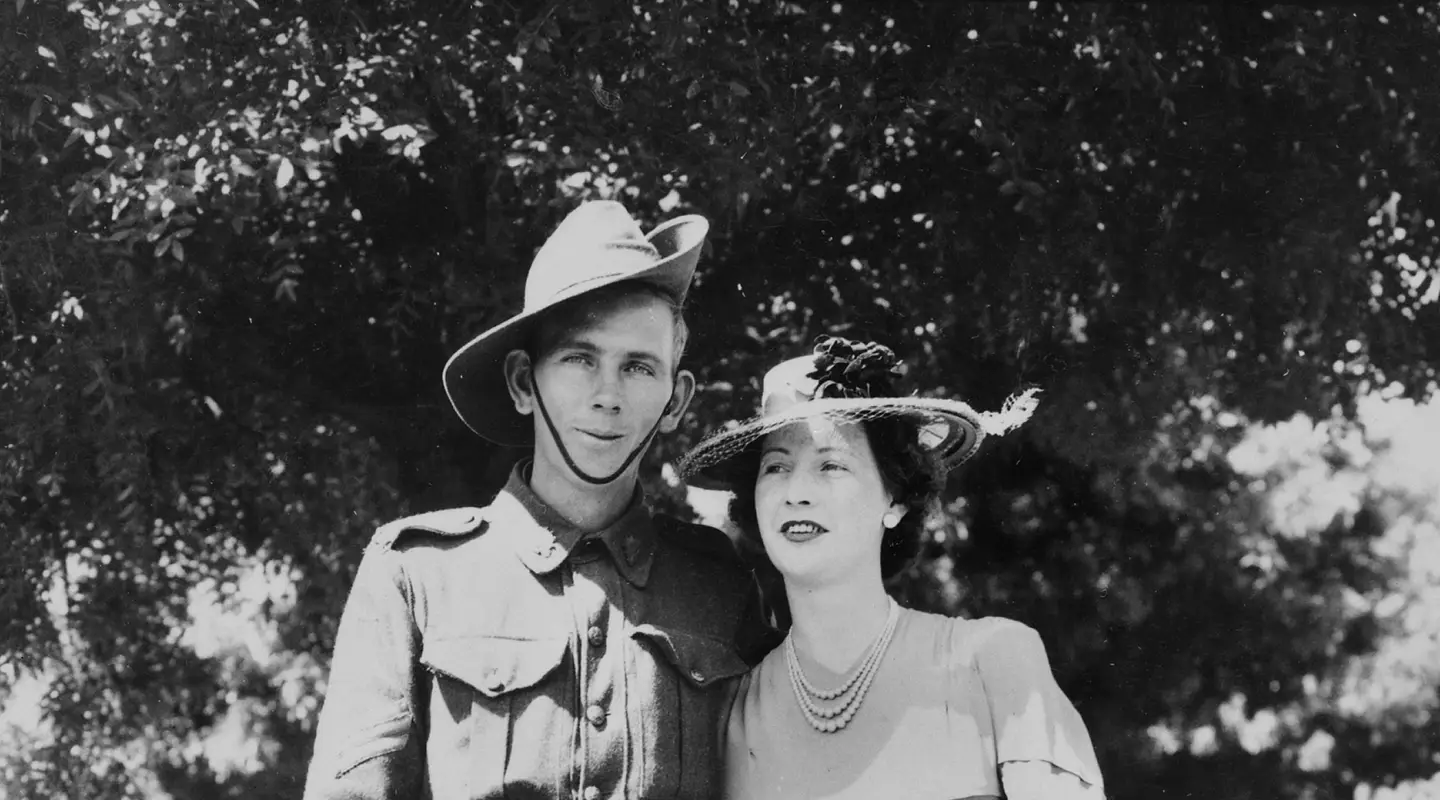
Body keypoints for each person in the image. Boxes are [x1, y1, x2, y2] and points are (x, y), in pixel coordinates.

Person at [303, 201, 780, 800]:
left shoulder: (721, 582)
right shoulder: (417, 573)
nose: (608, 395)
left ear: (676, 398)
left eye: (638, 366)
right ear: (523, 382)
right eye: (580, 359)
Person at [678, 336, 1106, 800]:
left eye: (831, 465)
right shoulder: (734, 714)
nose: (796, 491)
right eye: (776, 467)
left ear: (896, 497)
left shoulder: (991, 661)